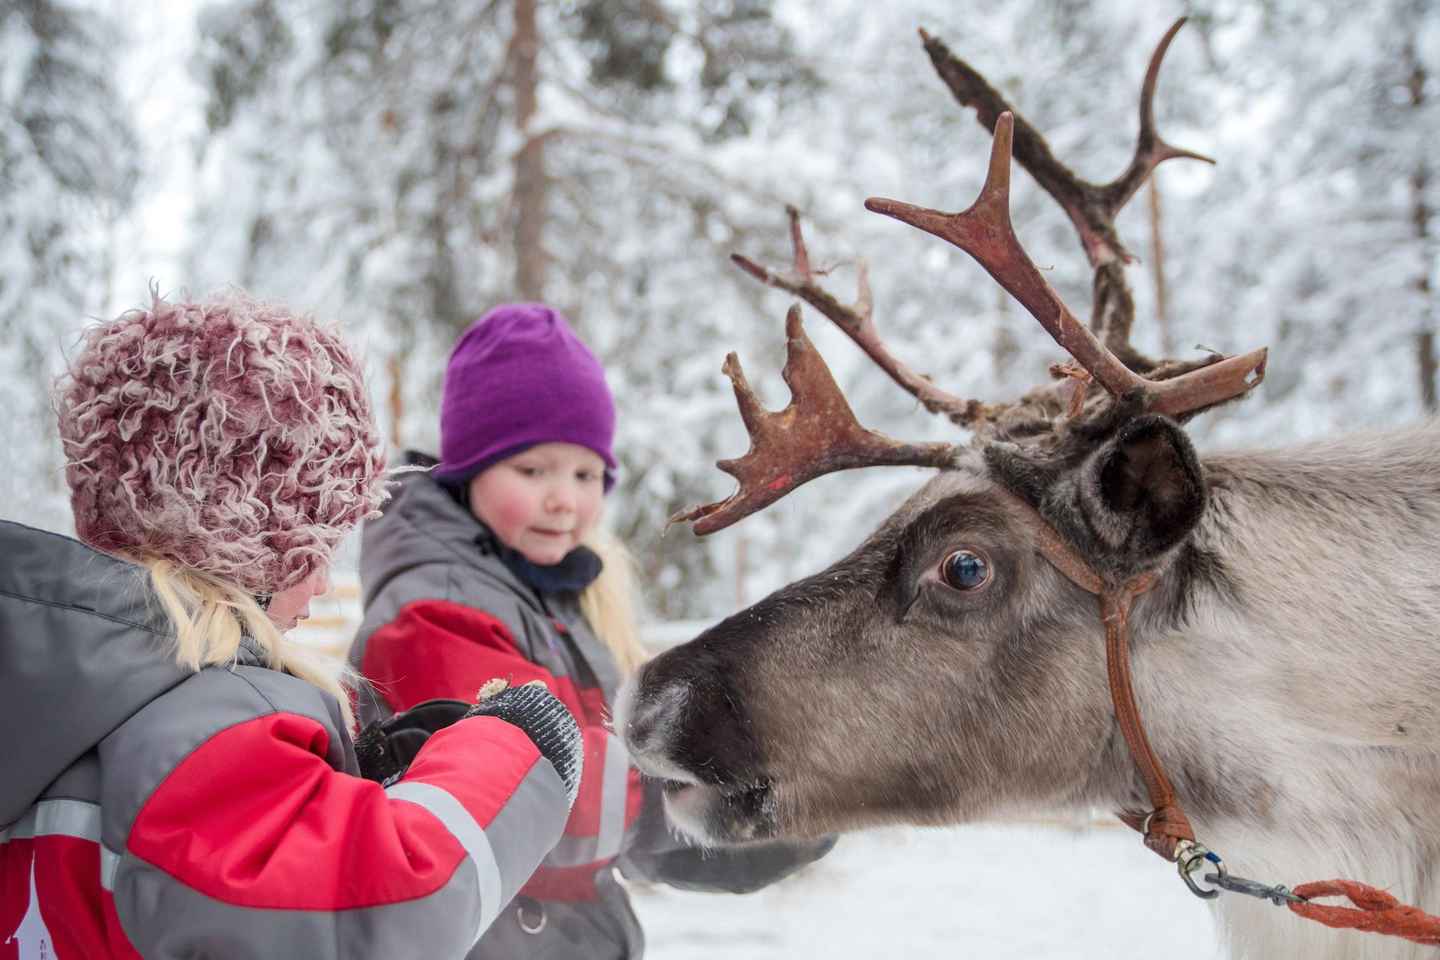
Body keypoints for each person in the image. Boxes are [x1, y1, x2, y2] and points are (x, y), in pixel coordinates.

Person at [0, 290, 586, 958]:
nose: (321, 585)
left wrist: (343, 786)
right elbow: (385, 908)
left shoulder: (62, 706)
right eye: (315, 546)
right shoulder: (203, 726)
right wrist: (519, 750)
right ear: (246, 544)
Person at [350, 302, 834, 960]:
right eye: (533, 470)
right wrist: (708, 793)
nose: (565, 499)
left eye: (585, 474)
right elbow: (530, 788)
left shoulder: (555, 598)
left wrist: (786, 803)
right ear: (469, 471)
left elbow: (618, 809)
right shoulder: (436, 612)